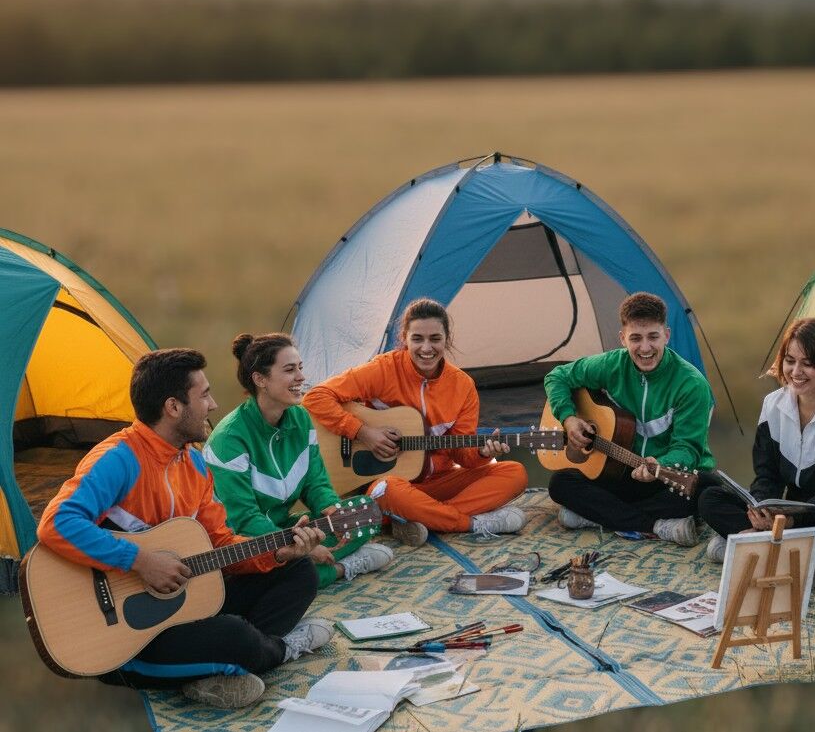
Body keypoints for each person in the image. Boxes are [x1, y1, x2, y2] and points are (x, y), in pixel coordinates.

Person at [36, 349, 331, 709]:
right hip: (124, 635)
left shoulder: (194, 462)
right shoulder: (118, 458)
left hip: (183, 607)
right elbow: (57, 523)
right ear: (173, 407)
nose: (213, 404)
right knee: (236, 636)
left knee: (298, 571)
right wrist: (140, 560)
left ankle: (219, 662)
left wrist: (279, 552)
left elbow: (221, 544)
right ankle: (276, 650)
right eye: (204, 394)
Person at [302, 298, 528, 546]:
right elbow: (316, 397)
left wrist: (482, 453)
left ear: (447, 339)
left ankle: (415, 518)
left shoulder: (462, 386)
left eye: (435, 339)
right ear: (404, 338)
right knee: (387, 489)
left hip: (436, 483)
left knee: (514, 472)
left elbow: (462, 456)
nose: (426, 348)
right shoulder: (382, 369)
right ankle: (470, 523)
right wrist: (362, 432)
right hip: (389, 486)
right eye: (417, 339)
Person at [698, 317, 815, 587]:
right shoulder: (773, 405)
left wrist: (790, 522)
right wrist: (760, 510)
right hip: (787, 518)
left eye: (808, 363)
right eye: (790, 360)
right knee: (709, 496)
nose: (796, 371)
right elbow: (766, 475)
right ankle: (778, 548)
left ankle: (750, 545)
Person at [205, 333, 391, 590]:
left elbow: (316, 484)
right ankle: (338, 569)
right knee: (280, 570)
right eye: (290, 370)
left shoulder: (301, 418)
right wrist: (300, 549)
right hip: (244, 543)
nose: (301, 377)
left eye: (300, 368)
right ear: (260, 379)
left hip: (286, 527)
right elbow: (244, 519)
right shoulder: (229, 439)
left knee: (361, 514)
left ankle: (306, 570)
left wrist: (331, 510)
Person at [544, 292, 715, 545]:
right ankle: (656, 526)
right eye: (635, 338)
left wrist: (659, 464)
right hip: (618, 470)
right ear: (623, 338)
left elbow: (687, 449)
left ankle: (600, 515)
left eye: (653, 337)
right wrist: (568, 418)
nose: (645, 348)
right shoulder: (610, 365)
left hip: (664, 476)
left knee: (708, 488)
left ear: (666, 335)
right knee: (560, 483)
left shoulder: (692, 384)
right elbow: (557, 376)